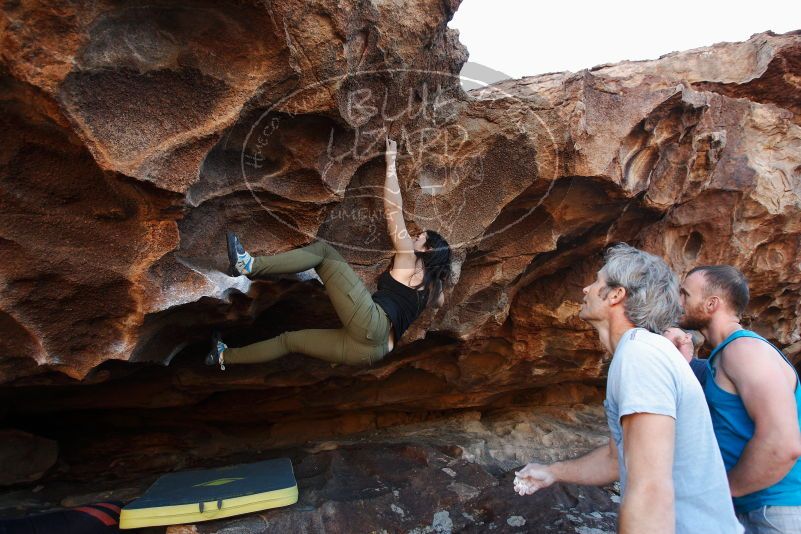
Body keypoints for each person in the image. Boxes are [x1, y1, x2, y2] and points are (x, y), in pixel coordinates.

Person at [514, 244, 742, 533]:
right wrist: (551, 472)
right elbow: (614, 459)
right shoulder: (639, 352)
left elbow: (650, 490)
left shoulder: (640, 356)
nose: (586, 289)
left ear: (616, 294)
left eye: (596, 281)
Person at [205, 138, 451, 368]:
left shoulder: (408, 256)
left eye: (420, 238)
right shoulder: (433, 290)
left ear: (427, 250)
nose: (414, 237)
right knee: (289, 341)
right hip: (372, 353)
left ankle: (248, 266)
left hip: (372, 325)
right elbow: (440, 303)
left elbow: (393, 211)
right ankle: (224, 355)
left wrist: (391, 164)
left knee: (324, 252)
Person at [674, 265, 801, 532]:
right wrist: (686, 357)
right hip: (750, 509)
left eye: (685, 294)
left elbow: (783, 444)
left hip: (775, 511)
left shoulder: (745, 351)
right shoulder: (723, 357)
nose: (679, 301)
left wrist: (721, 491)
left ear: (711, 304)